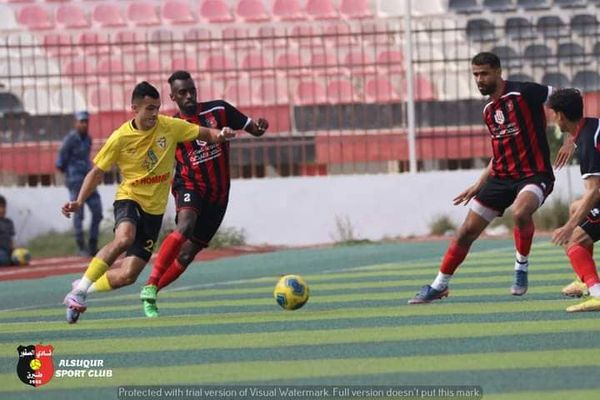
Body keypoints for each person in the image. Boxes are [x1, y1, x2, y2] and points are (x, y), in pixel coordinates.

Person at [61, 81, 235, 324]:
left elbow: (205, 133)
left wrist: (222, 135)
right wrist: (79, 201)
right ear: (135, 108)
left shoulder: (169, 126)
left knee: (128, 275)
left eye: (157, 107)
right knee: (124, 238)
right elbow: (96, 172)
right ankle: (80, 293)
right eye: (149, 109)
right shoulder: (120, 138)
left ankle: (81, 287)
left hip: (154, 211)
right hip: (129, 198)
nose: (154, 114)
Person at [408, 52, 572, 304]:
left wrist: (571, 136)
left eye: (484, 73)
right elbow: (499, 155)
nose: (479, 79)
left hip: (534, 174)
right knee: (465, 232)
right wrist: (478, 184)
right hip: (500, 178)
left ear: (498, 71)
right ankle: (439, 285)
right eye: (475, 74)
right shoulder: (488, 110)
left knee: (520, 212)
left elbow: (568, 97)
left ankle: (521, 267)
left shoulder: (524, 92)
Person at [139, 70, 269, 317]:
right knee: (185, 225)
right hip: (189, 185)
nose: (188, 96)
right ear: (173, 97)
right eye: (182, 93)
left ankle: (151, 288)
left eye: (191, 90)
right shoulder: (171, 127)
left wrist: (261, 126)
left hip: (219, 194)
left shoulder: (218, 111)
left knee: (188, 254)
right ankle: (152, 282)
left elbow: (254, 129)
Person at [549, 88, 600, 312]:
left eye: (553, 114)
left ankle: (597, 294)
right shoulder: (590, 127)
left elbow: (595, 192)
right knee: (575, 208)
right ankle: (583, 279)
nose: (552, 119)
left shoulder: (588, 141)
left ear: (560, 116)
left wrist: (569, 228)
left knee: (574, 241)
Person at [56, 111, 103, 256]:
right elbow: (60, 162)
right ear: (75, 123)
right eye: (81, 121)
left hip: (88, 179)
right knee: (78, 213)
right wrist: (71, 174)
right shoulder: (69, 140)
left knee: (97, 211)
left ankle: (93, 244)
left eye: (86, 121)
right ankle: (81, 246)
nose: (84, 124)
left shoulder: (88, 139)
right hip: (75, 180)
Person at [0, 195, 15, 266]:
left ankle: (10, 260)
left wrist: (13, 249)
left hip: (8, 250)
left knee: (24, 255)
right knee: (3, 258)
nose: (2, 210)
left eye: (4, 207)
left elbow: (11, 238)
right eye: (0, 207)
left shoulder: (9, 222)